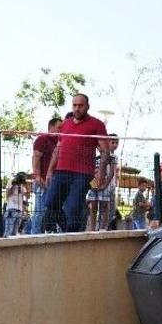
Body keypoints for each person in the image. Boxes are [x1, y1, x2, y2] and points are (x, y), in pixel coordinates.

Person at [42, 94, 111, 233]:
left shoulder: (97, 124)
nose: (77, 108)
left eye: (80, 105)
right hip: (61, 171)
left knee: (73, 207)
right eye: (74, 105)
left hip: (83, 174)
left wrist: (101, 174)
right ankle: (69, 232)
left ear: (87, 106)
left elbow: (105, 151)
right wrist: (50, 171)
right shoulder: (65, 124)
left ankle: (71, 234)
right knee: (50, 202)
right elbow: (58, 148)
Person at [29, 117, 63, 234]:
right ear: (51, 127)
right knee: (40, 211)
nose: (61, 130)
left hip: (54, 182)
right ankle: (35, 235)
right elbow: (36, 157)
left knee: (53, 211)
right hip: (42, 181)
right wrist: (37, 176)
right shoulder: (42, 139)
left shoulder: (58, 143)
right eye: (59, 128)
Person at [86, 134, 119, 231]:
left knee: (104, 207)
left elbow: (111, 173)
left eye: (116, 142)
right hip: (94, 185)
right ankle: (92, 228)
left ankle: (102, 228)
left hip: (106, 186)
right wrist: (92, 185)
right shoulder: (95, 158)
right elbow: (91, 173)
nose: (115, 144)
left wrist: (105, 185)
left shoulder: (112, 157)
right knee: (93, 207)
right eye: (112, 142)